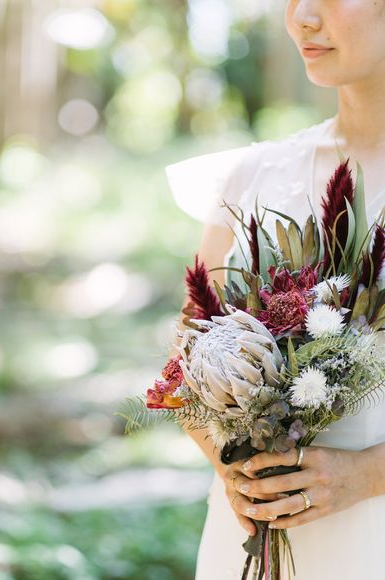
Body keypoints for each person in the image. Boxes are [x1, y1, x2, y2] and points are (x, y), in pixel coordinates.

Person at [165, 1, 385, 578]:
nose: (302, 18)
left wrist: (366, 475)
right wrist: (233, 468)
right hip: (253, 537)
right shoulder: (254, 175)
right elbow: (181, 366)